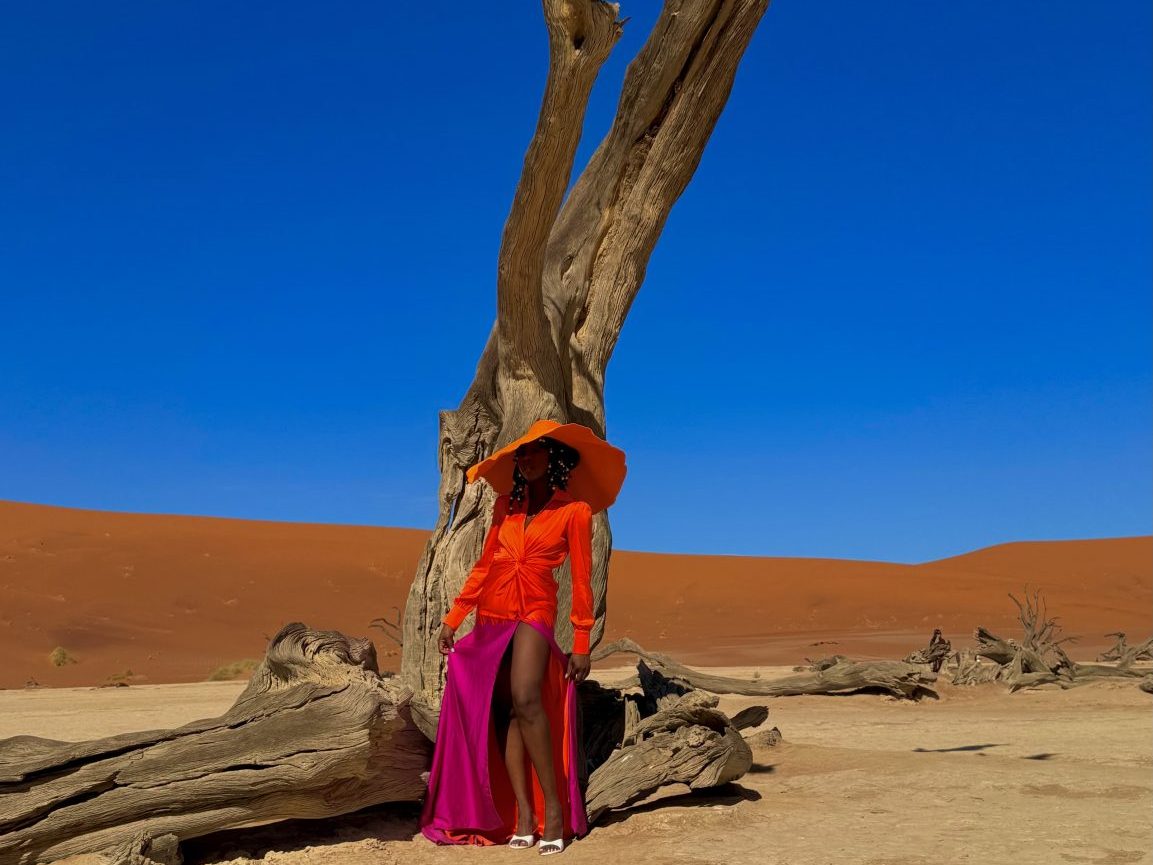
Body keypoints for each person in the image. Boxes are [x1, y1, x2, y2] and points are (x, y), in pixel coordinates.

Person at [419, 419, 626, 856]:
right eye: (522, 454)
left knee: (527, 697)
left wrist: (583, 642)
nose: (526, 460)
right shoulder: (503, 508)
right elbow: (484, 565)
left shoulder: (575, 512)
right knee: (508, 711)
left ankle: (554, 809)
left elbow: (584, 581)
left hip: (534, 610)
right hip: (493, 611)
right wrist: (454, 617)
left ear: (555, 460)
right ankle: (524, 816)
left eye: (534, 453)